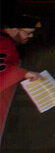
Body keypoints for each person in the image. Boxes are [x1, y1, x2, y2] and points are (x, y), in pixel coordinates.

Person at [1, 13, 42, 142]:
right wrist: (24, 73)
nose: (30, 36)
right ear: (14, 30)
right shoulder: (4, 42)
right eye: (27, 33)